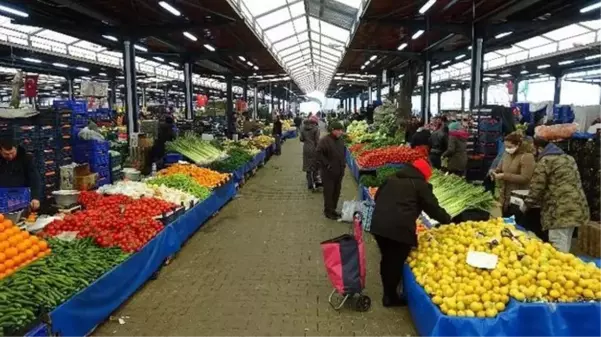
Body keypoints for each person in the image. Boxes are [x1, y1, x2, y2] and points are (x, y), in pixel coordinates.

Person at [370, 158, 451, 307]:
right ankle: (390, 297)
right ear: (424, 174)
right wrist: (449, 221)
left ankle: (388, 291)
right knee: (394, 262)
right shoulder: (420, 185)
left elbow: (377, 196)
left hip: (378, 224)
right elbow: (433, 209)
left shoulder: (392, 178)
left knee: (387, 258)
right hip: (398, 228)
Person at [524, 137, 589, 252]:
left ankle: (561, 268)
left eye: (533, 150)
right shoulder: (568, 158)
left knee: (557, 243)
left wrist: (526, 204)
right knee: (566, 238)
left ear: (539, 148)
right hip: (576, 206)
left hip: (560, 210)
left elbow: (537, 187)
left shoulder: (546, 161)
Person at [491, 132, 535, 217]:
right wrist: (494, 172)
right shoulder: (506, 154)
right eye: (505, 147)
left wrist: (504, 176)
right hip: (504, 196)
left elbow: (526, 178)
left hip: (518, 197)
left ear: (518, 144)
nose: (507, 149)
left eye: (509, 147)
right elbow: (500, 168)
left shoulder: (527, 156)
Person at [0, 138, 42, 211]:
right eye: (6, 154)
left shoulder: (26, 159)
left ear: (16, 148)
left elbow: (34, 179)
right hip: (2, 199)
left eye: (12, 153)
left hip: (22, 199)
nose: (10, 156)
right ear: (0, 151)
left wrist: (35, 197)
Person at [316, 121, 345, 220]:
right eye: (339, 130)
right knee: (329, 192)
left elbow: (342, 153)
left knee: (336, 192)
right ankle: (328, 212)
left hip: (339, 171)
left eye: (341, 130)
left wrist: (343, 165)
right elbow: (318, 153)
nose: (341, 132)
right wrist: (327, 164)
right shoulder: (325, 141)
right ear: (333, 130)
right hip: (328, 173)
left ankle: (333, 209)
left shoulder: (340, 140)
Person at [300, 116, 320, 190]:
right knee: (315, 165)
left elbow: (301, 139)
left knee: (307, 166)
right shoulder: (316, 129)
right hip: (314, 148)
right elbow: (317, 141)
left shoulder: (302, 128)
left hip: (306, 148)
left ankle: (310, 184)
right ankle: (316, 182)